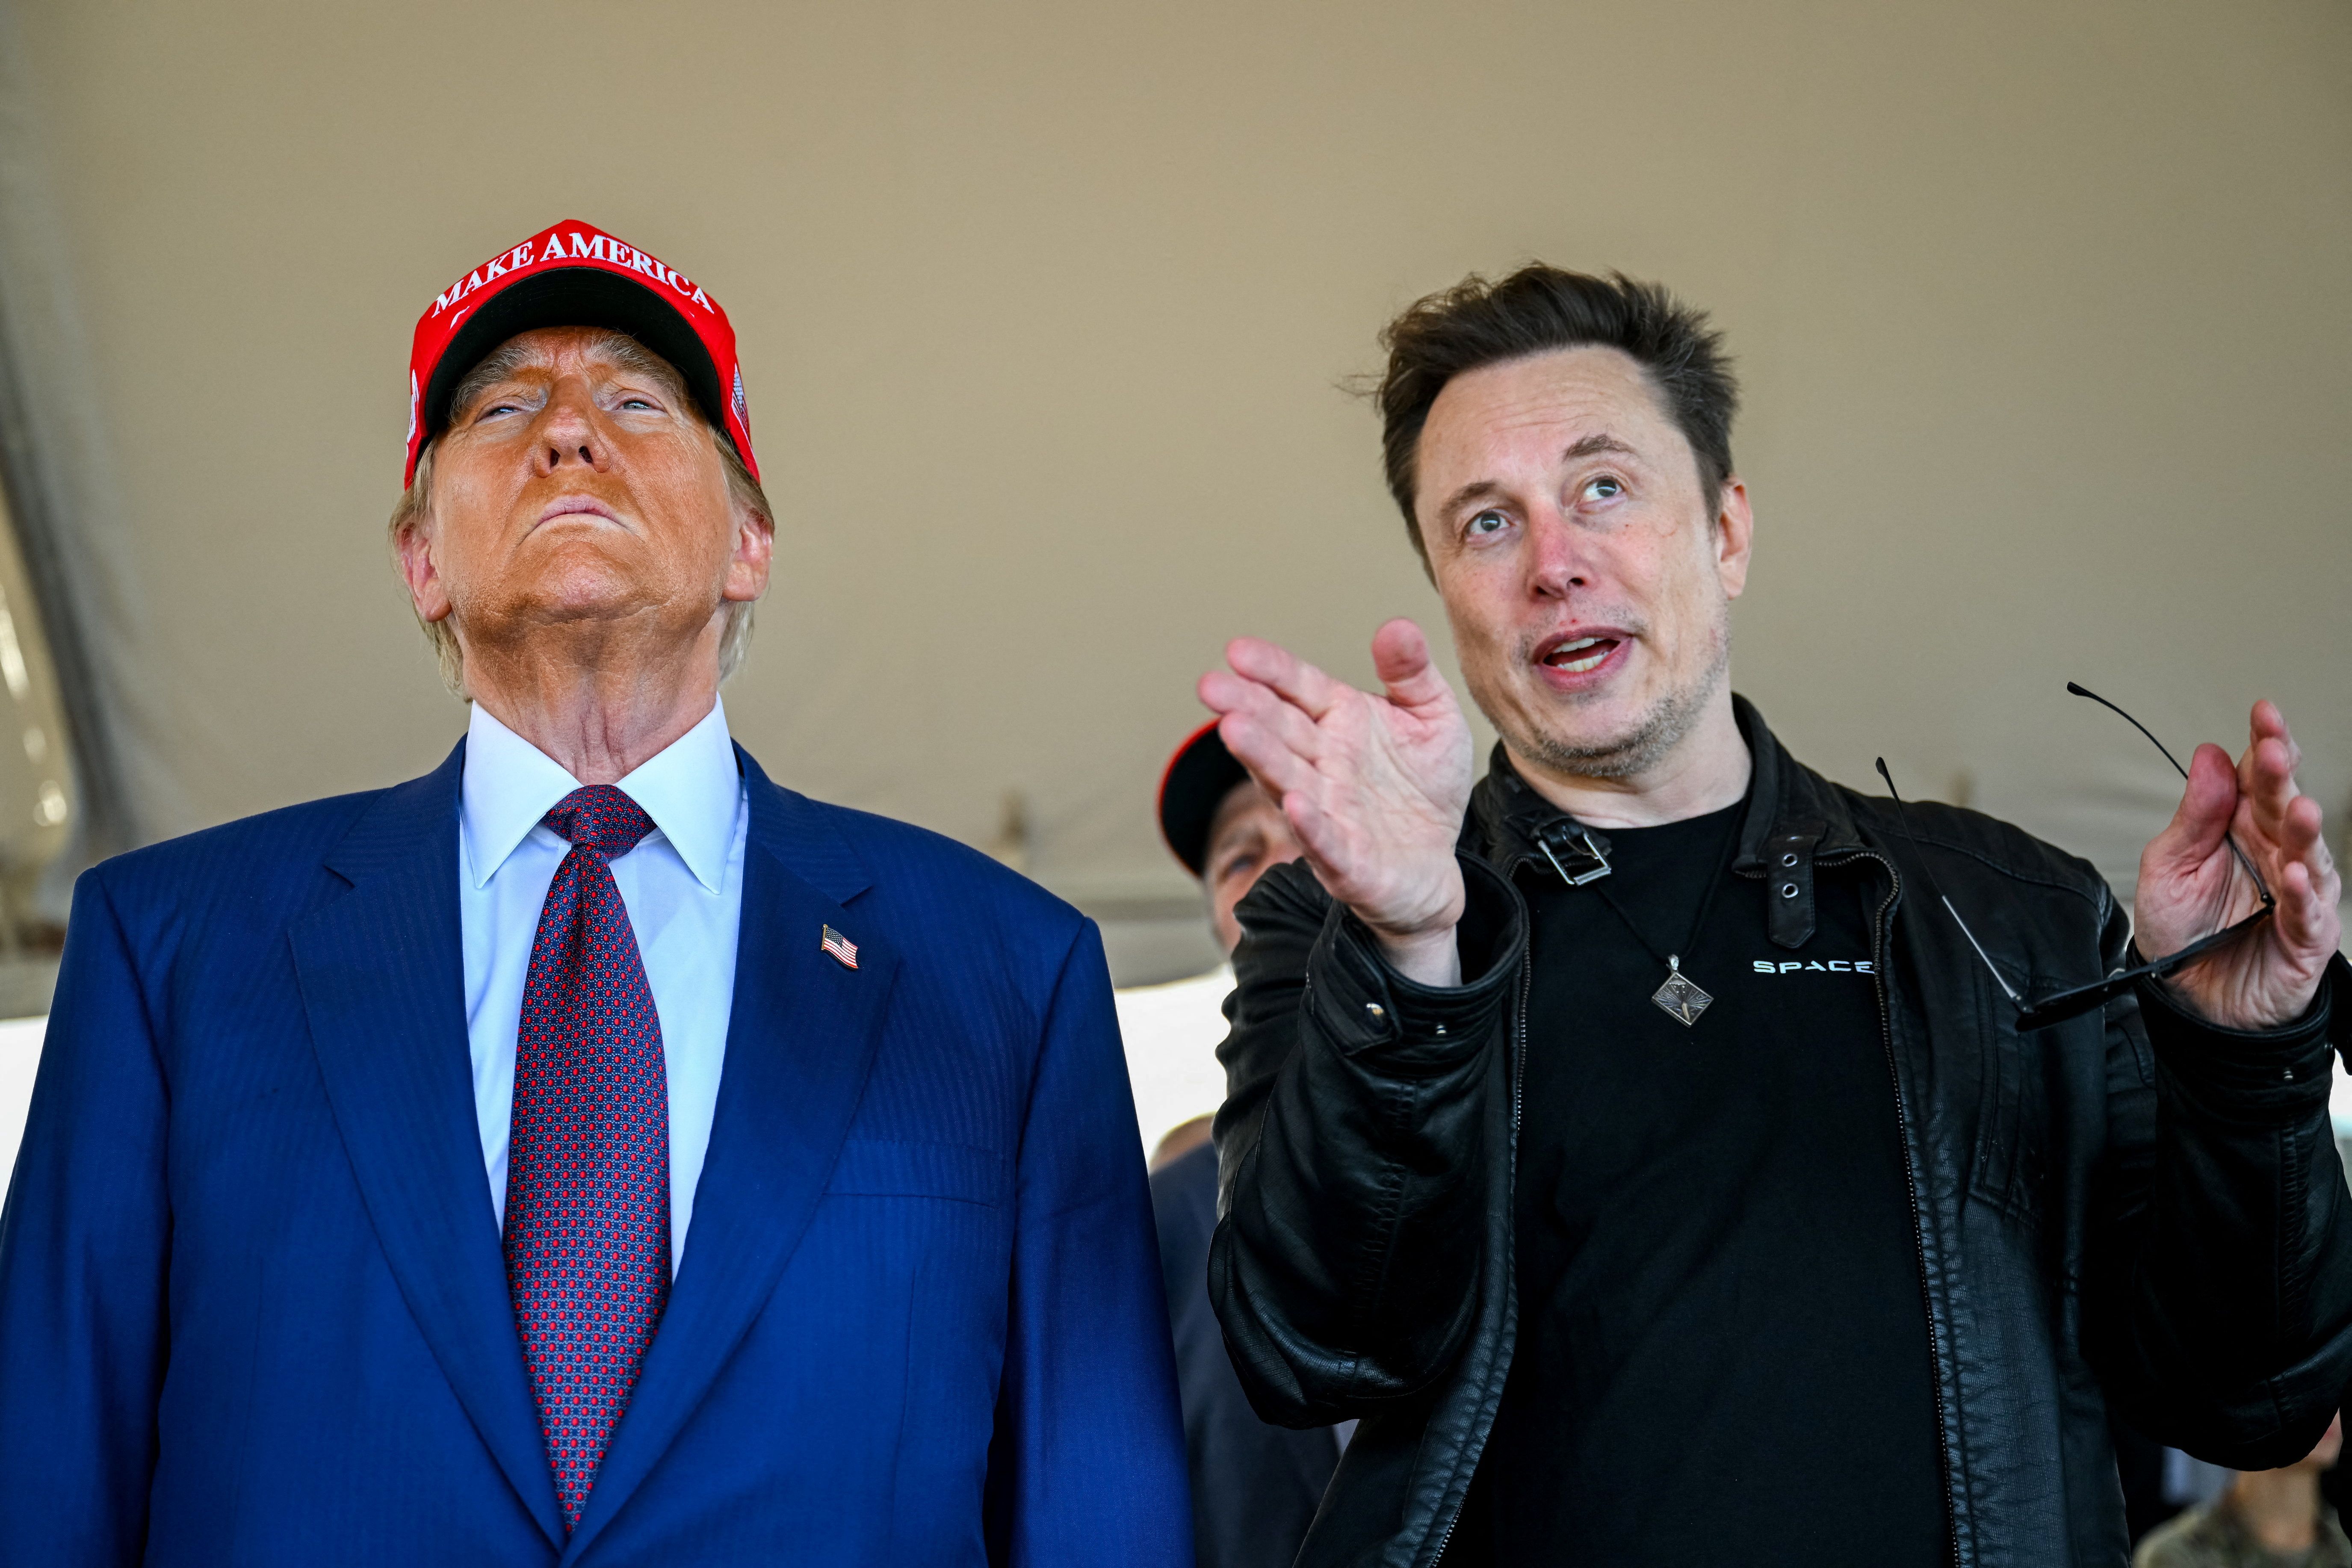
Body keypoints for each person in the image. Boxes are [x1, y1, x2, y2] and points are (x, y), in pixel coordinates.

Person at [0, 219, 1190, 1566]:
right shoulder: (170, 951)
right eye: (504, 407)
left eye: (634, 399)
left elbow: (1101, 1518)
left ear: (749, 540)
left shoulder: (1005, 974)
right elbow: (42, 1487)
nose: (569, 434)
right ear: (421, 561)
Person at [1197, 265, 2352, 1567]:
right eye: (1484, 522)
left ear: (1728, 531)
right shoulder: (1340, 930)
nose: (1553, 564)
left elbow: (2251, 1395)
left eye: (1603, 487)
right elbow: (1312, 1350)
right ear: (1442, 586)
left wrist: (2244, 1057)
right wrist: (1412, 951)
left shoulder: (2015, 911)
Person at [1149, 721, 1344, 1568]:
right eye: (1240, 857)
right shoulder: (1159, 1217)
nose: (1282, 871)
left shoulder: (1534, 1131)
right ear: (1222, 927)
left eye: (1314, 830)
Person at [2136, 1417, 2352, 1567]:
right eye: (2301, 1384)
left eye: (2335, 1383)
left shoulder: (2347, 1550)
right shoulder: (2178, 1557)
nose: (2329, 1406)